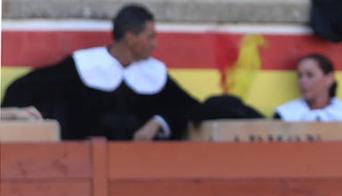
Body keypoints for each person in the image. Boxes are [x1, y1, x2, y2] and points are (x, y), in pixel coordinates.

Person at [0, 4, 199, 140]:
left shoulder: (155, 73)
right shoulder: (83, 65)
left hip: (141, 166)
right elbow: (24, 89)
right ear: (131, 38)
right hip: (82, 165)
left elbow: (189, 109)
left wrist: (158, 122)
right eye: (150, 37)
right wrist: (16, 113)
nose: (155, 44)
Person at [274, 53, 342, 121]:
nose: (302, 81)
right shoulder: (285, 114)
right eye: (300, 76)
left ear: (329, 78)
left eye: (310, 75)